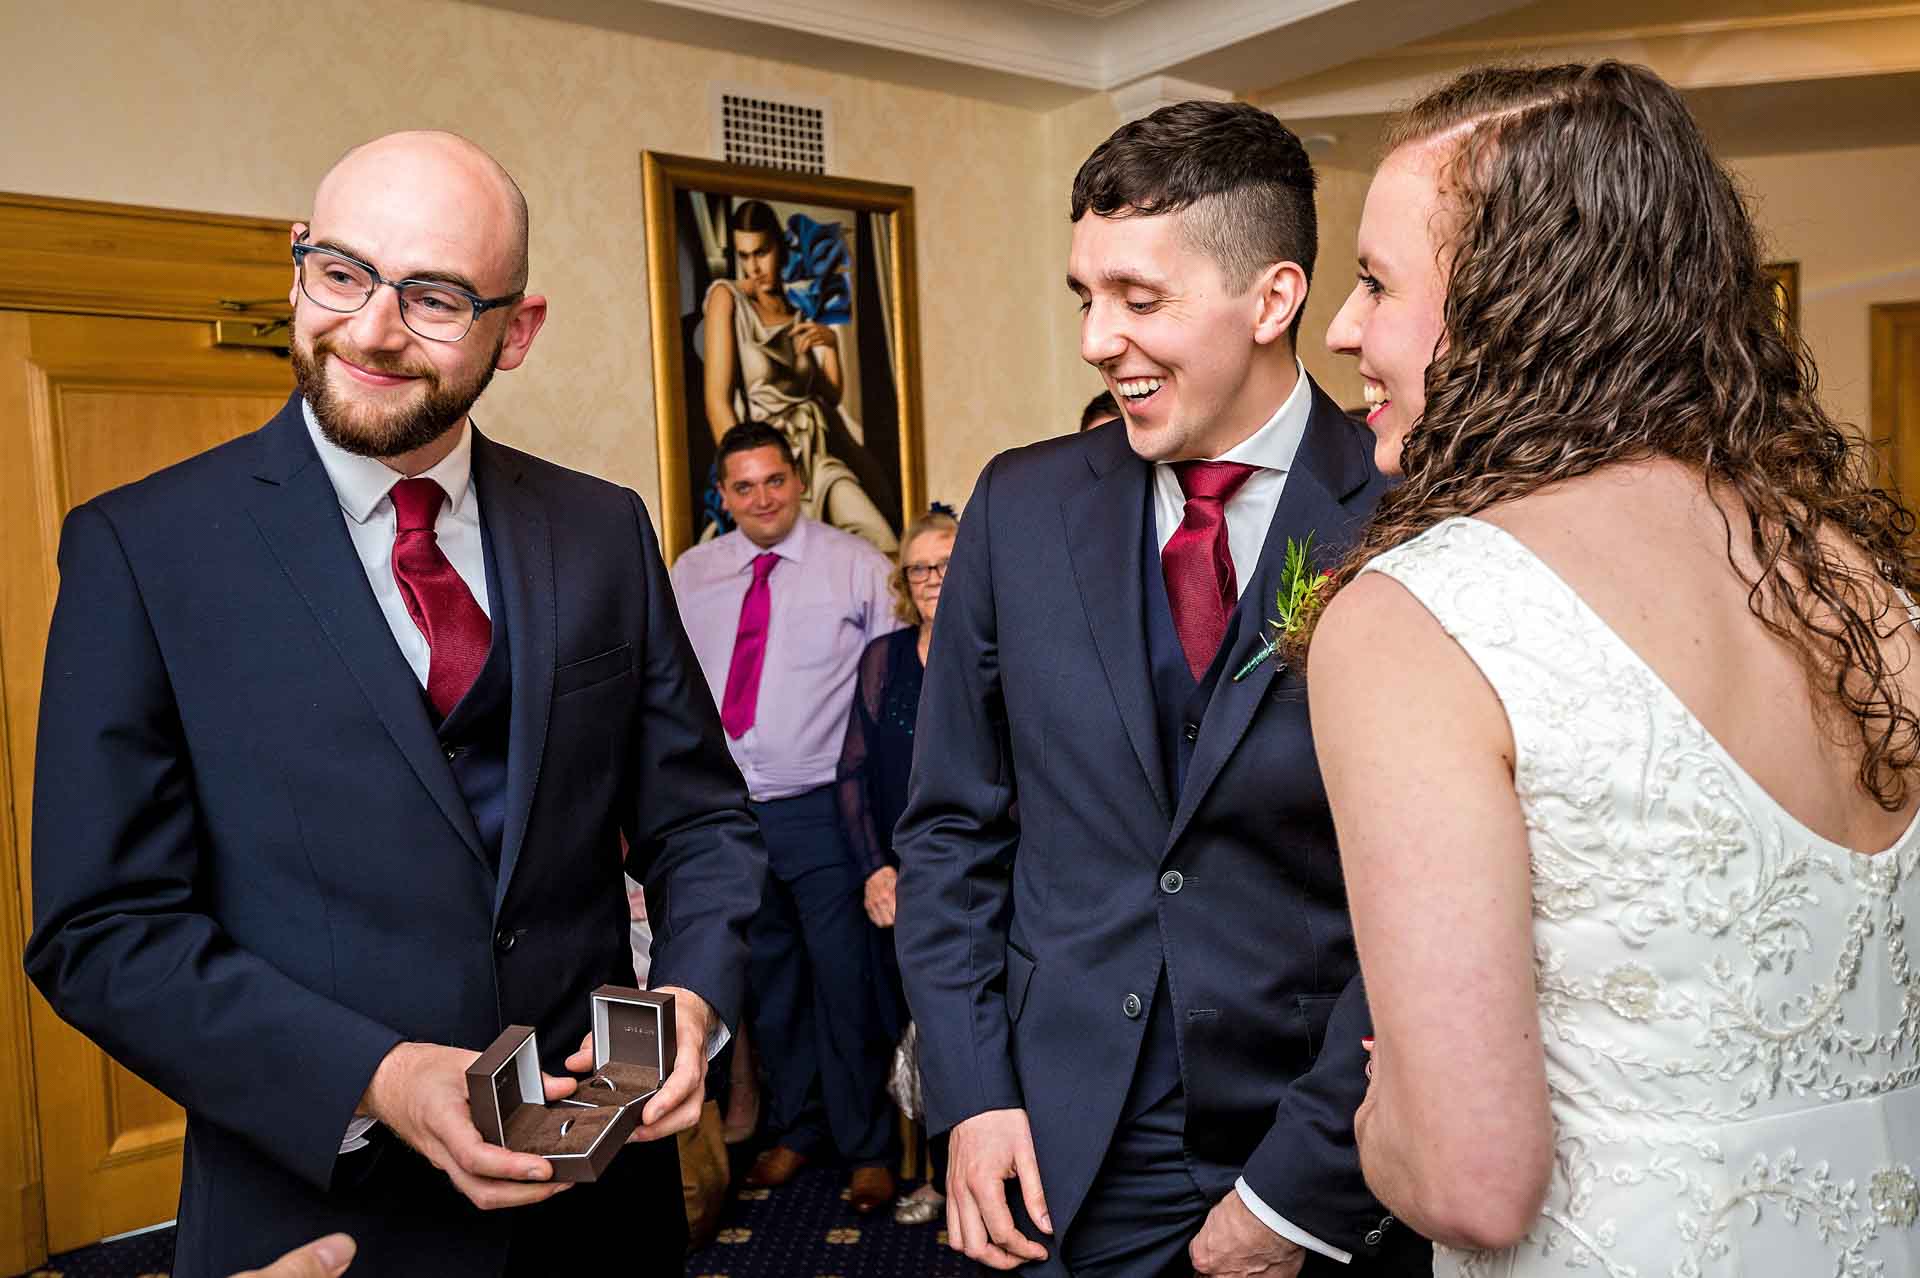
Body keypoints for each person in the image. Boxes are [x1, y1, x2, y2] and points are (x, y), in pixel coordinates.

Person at [24, 131, 766, 1277]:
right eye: (342, 273)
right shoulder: (145, 550)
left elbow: (702, 823)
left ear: (516, 331)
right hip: (321, 1212)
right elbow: (103, 933)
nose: (370, 328)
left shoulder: (599, 528)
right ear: (298, 263)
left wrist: (693, 996)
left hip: (597, 1204)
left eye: (433, 297)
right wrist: (375, 1075)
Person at [1310, 62, 1920, 1276]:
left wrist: (1385, 1128)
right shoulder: (1864, 586)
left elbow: (1474, 1184)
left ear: (1513, 303)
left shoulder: (1419, 618)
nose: (1344, 328)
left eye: (1377, 281)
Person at [895, 100, 1429, 1276]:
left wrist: (1299, 1191)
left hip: (1328, 1139)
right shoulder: (1019, 509)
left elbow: (1441, 902)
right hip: (1066, 1136)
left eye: (1139, 300)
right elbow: (951, 832)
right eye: (1085, 296)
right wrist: (973, 1094)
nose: (1095, 339)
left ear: (1273, 298)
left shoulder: (1408, 518)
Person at [671, 421, 904, 1212]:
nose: (762, 497)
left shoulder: (859, 567)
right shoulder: (691, 574)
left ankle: (867, 1147)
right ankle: (799, 1132)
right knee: (768, 987)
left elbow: (892, 698)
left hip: (824, 812)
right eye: (744, 485)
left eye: (774, 480)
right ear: (722, 494)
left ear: (798, 479)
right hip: (727, 815)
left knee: (846, 982)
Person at [835, 503, 959, 1226]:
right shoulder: (882, 657)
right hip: (894, 882)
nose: (933, 579)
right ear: (903, 581)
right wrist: (875, 870)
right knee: (903, 1026)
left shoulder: (993, 651)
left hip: (974, 881)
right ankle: (932, 1172)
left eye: (946, 564)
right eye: (920, 568)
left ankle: (957, 1180)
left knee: (964, 1032)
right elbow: (852, 772)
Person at [703, 199, 897, 553]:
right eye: (744, 256)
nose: (753, 268)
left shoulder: (797, 311)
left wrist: (831, 347)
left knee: (881, 540)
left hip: (817, 452)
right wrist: (745, 477)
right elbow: (717, 402)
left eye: (761, 252)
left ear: (779, 246)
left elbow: (829, 397)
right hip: (768, 464)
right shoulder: (726, 298)